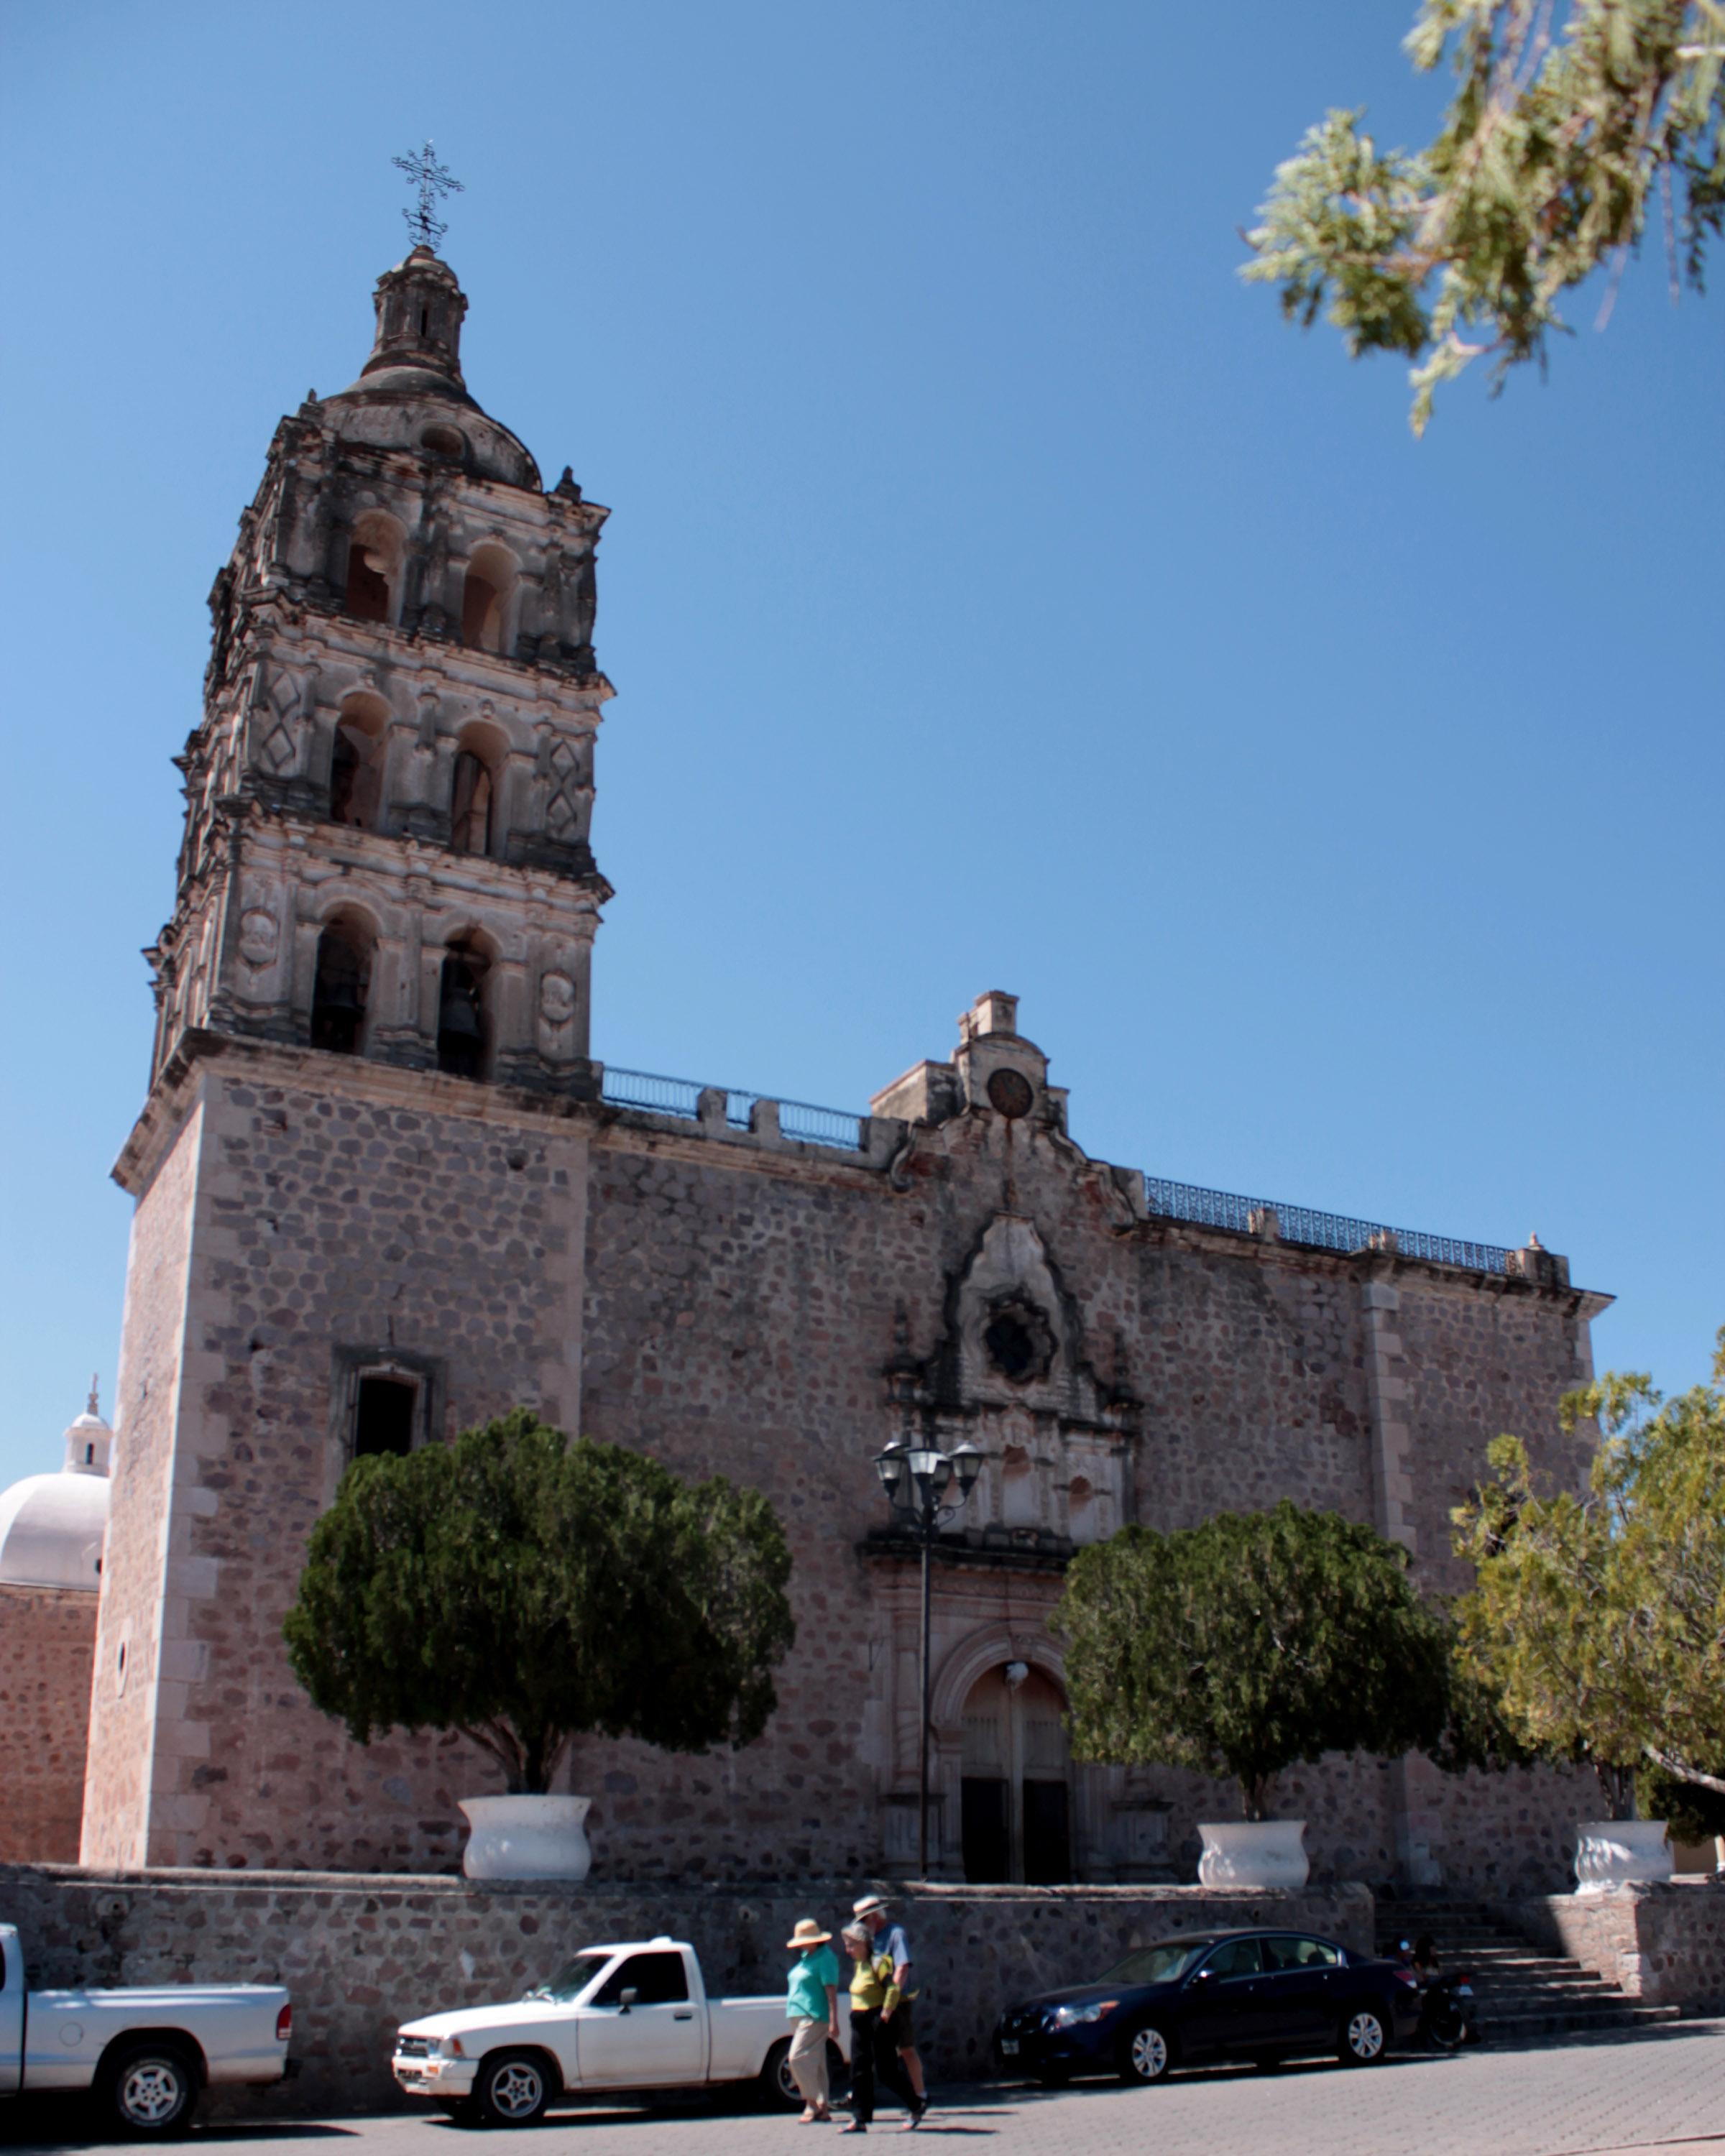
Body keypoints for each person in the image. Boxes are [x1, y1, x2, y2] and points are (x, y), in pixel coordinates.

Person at [853, 1895, 926, 2128]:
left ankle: (920, 2095)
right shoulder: (869, 1938)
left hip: (897, 2002)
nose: (861, 1924)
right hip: (874, 2005)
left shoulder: (895, 1933)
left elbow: (902, 1968)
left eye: (864, 1919)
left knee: (906, 2047)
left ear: (874, 1917)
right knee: (877, 2058)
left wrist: (890, 2002)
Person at [839, 1923, 917, 2134]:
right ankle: (860, 2118)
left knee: (886, 2072)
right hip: (859, 2020)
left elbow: (893, 1987)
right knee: (859, 2069)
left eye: (851, 1945)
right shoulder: (859, 1966)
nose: (848, 1950)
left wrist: (887, 2011)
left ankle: (916, 2104)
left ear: (863, 1944)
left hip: (878, 2019)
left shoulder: (878, 1963)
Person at [784, 1918, 842, 2123]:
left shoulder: (825, 1958)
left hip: (815, 2016)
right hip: (798, 2015)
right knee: (816, 2062)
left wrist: (834, 2020)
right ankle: (823, 2107)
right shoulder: (806, 1958)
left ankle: (811, 2102)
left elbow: (831, 1990)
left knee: (796, 2058)